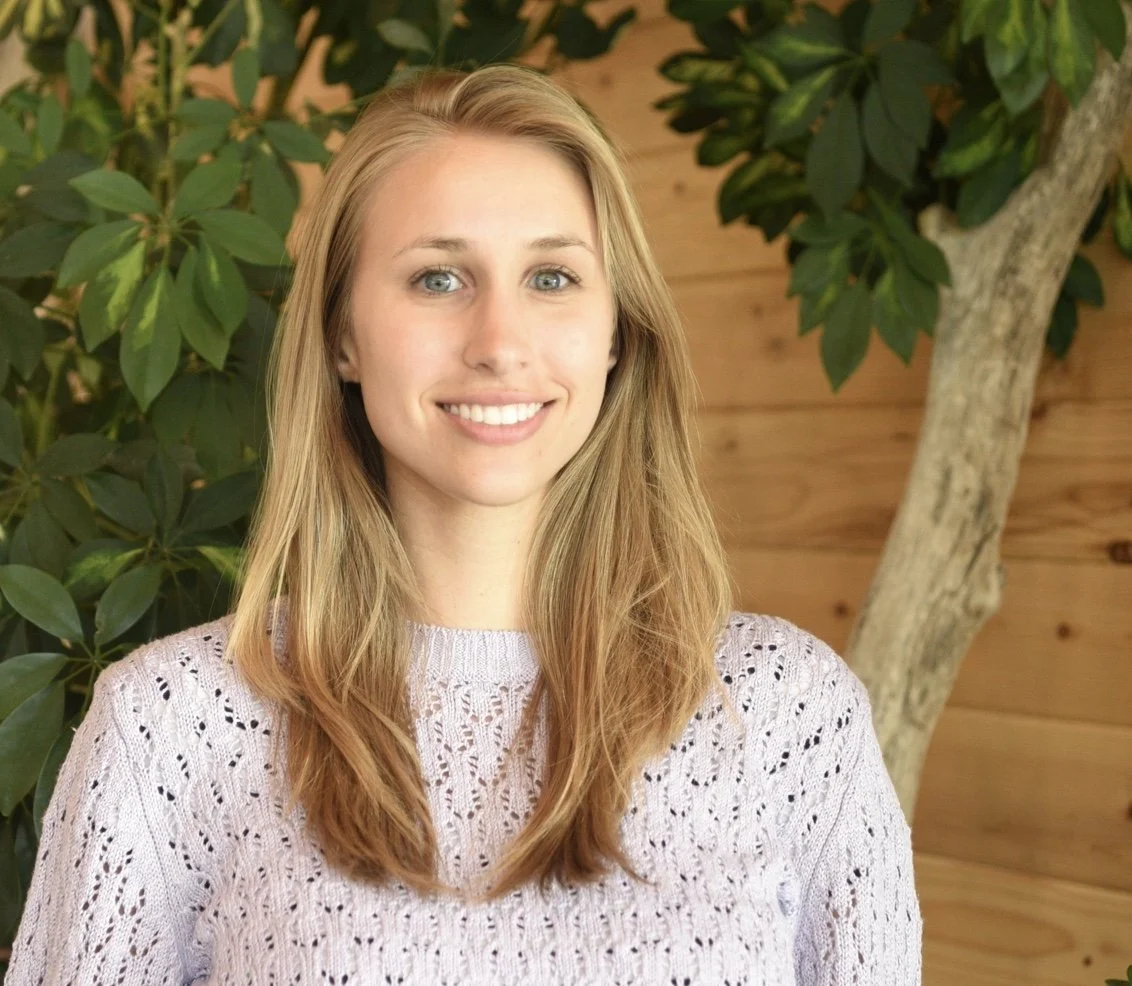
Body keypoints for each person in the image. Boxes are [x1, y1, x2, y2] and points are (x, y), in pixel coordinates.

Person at [6, 64, 923, 984]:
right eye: (438, 278)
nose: (500, 343)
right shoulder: (169, 730)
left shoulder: (789, 716)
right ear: (343, 335)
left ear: (615, 331)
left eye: (552, 277)